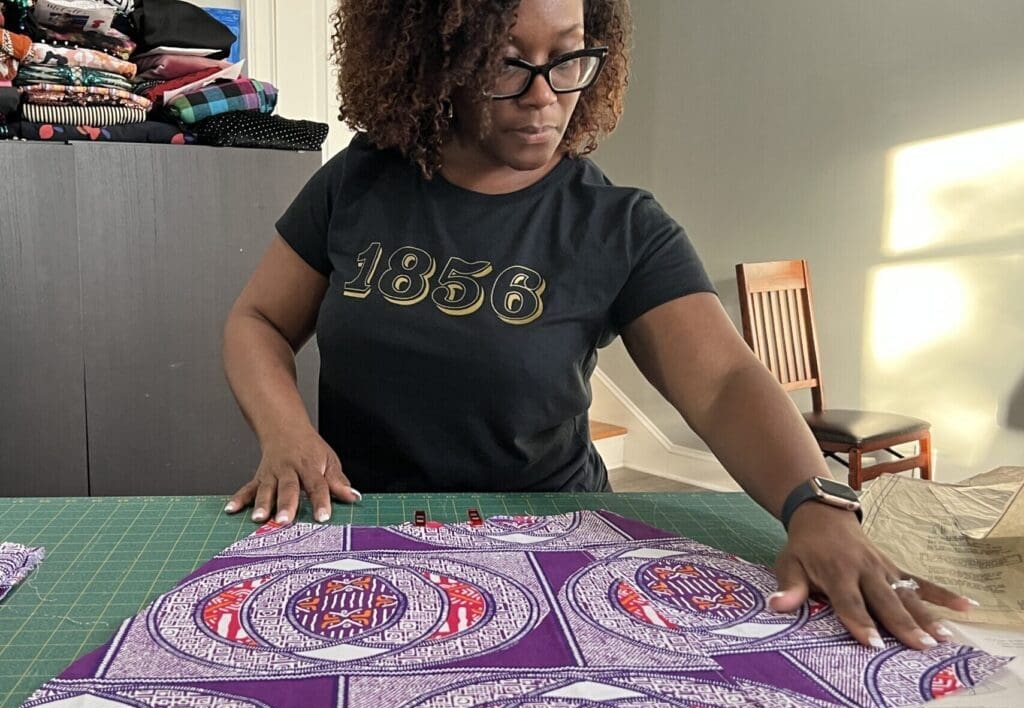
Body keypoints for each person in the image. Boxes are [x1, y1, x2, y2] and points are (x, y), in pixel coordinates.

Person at [222, 0, 973, 651]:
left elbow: (722, 383)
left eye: (568, 56)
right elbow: (257, 320)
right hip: (364, 530)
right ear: (433, 59)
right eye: (505, 63)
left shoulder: (620, 227)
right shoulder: (357, 183)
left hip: (551, 543)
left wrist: (815, 504)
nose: (545, 96)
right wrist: (286, 432)